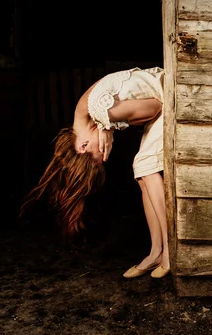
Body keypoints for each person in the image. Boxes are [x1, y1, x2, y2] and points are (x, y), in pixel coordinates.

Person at [20, 67, 170, 279]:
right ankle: (156, 252)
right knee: (142, 170)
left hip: (170, 93)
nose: (105, 158)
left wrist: (107, 124)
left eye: (99, 162)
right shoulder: (83, 114)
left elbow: (156, 107)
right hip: (161, 98)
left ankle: (170, 249)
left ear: (82, 146)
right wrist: (106, 124)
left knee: (146, 163)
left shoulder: (102, 112)